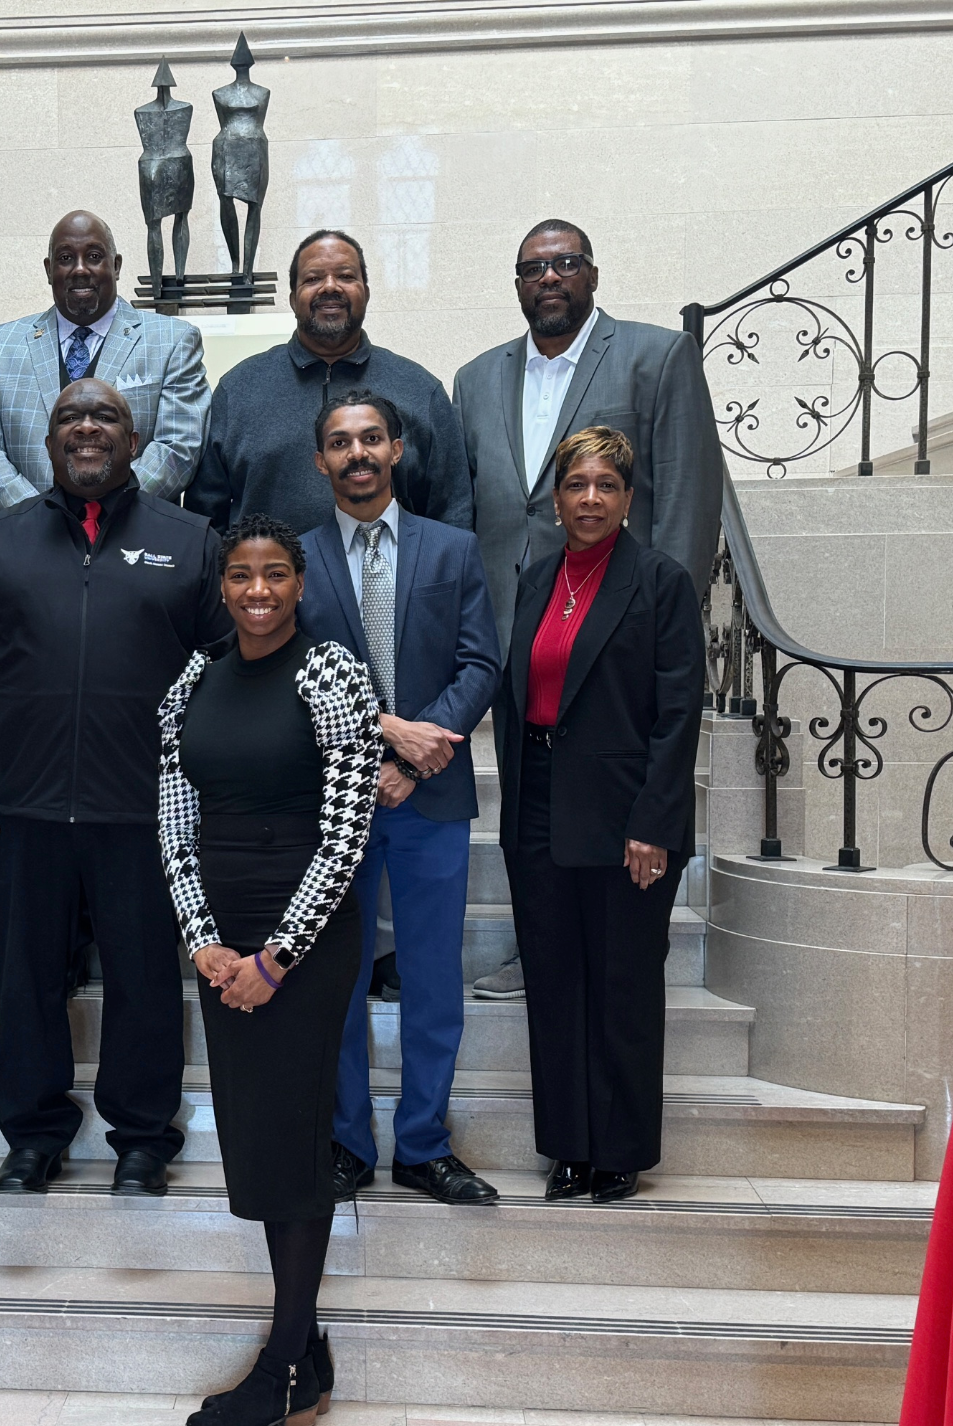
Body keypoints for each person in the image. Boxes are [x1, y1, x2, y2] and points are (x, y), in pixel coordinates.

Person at [0, 377, 231, 1194]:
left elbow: (227, 676)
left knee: (143, 981)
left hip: (144, 814)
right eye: (70, 416)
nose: (87, 428)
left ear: (135, 442)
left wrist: (202, 788)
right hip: (21, 814)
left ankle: (141, 1139)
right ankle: (32, 1136)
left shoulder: (191, 541)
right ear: (48, 440)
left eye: (106, 417)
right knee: (25, 979)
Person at [453, 220, 721, 1003]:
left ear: (592, 274)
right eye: (534, 267)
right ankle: (536, 950)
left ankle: (620, 945)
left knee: (609, 797)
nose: (550, 278)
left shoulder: (655, 356)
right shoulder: (475, 379)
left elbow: (687, 498)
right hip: (517, 636)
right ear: (516, 282)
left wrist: (665, 623)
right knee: (529, 810)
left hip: (617, 639)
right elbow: (473, 516)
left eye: (565, 263)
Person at [158, 513, 380, 1426]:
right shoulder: (193, 681)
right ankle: (308, 1346)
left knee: (289, 1146)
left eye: (275, 574)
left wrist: (277, 956)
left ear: (300, 583)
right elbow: (174, 817)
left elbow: (348, 830)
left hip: (306, 941)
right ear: (224, 584)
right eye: (242, 575)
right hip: (224, 942)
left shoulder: (332, 672)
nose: (257, 590)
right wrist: (206, 943)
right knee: (255, 1142)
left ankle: (285, 1365)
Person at [295, 391, 502, 1205]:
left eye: (371, 438)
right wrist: (382, 735)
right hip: (334, 803)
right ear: (320, 460)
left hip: (433, 798)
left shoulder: (451, 550)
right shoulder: (298, 559)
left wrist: (418, 759)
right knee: (337, 980)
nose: (358, 454)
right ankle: (348, 1141)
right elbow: (294, 678)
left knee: (431, 980)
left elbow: (480, 664)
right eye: (341, 442)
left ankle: (423, 1145)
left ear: (398, 449)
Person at [495, 426, 703, 1207]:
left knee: (619, 987)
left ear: (627, 498)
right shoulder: (537, 576)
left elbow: (678, 714)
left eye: (606, 487)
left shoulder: (660, 581)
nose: (590, 499)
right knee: (554, 983)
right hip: (540, 805)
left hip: (625, 821)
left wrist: (654, 823)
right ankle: (570, 1147)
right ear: (555, 499)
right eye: (577, 485)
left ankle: (619, 1149)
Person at [185, 229, 472, 535]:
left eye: (346, 276)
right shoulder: (239, 390)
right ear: (294, 299)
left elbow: (453, 512)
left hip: (390, 582)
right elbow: (204, 518)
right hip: (268, 581)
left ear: (366, 292)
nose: (330, 287)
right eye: (312, 279)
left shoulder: (418, 390)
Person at [0, 210, 210, 514]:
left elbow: (178, 447)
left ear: (116, 266)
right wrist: (38, 518)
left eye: (93, 256)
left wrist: (105, 514)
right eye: (65, 258)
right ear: (49, 269)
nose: (80, 269)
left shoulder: (173, 340)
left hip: (134, 536)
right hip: (30, 543)